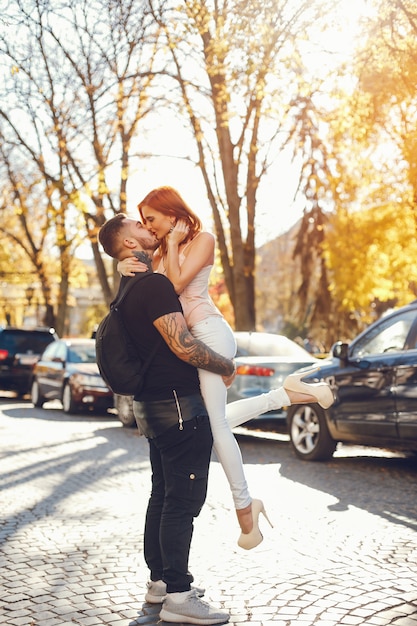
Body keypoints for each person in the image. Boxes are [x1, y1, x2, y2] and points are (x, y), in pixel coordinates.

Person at [117, 186, 334, 550]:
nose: (148, 227)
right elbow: (140, 268)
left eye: (151, 219)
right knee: (208, 421)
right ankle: (287, 394)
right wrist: (123, 264)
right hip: (191, 341)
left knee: (215, 425)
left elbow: (175, 287)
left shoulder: (203, 239)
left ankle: (246, 511)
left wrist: (170, 246)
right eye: (143, 222)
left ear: (171, 213)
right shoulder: (160, 249)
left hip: (212, 335)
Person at [98, 214, 234, 625]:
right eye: (139, 226)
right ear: (125, 242)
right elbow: (183, 345)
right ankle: (178, 595)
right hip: (178, 407)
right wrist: (225, 364)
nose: (149, 229)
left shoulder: (127, 287)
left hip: (151, 408)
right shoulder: (154, 286)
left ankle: (159, 584)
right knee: (182, 502)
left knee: (162, 497)